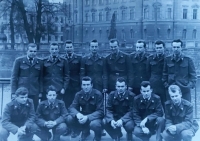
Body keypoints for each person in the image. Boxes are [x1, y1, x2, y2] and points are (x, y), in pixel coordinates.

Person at [66, 76, 104, 141]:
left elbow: (100, 111)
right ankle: (82, 131)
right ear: (81, 86)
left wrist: (87, 117)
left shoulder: (98, 94)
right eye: (84, 85)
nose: (86, 87)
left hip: (94, 118)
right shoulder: (78, 94)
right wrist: (77, 114)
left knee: (95, 124)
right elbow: (71, 108)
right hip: (83, 117)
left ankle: (98, 135)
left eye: (88, 85)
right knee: (69, 118)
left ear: (91, 85)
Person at [11, 43, 43, 109]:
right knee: (21, 110)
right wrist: (13, 92)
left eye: (34, 51)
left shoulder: (40, 62)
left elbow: (41, 78)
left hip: (34, 92)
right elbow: (14, 77)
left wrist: (40, 92)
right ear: (27, 51)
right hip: (22, 91)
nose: (33, 53)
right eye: (31, 51)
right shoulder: (19, 61)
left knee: (33, 109)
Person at [63, 40, 82, 108]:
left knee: (76, 102)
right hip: (66, 85)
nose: (69, 49)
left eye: (70, 47)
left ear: (73, 48)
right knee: (66, 102)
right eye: (67, 47)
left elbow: (81, 72)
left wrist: (80, 84)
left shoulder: (79, 58)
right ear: (64, 48)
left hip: (76, 85)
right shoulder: (62, 58)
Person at [147, 40, 166, 107]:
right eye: (157, 48)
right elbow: (148, 71)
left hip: (164, 84)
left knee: (165, 102)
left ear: (164, 48)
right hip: (153, 83)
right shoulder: (150, 58)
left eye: (160, 48)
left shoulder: (167, 58)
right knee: (154, 102)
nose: (159, 49)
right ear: (155, 48)